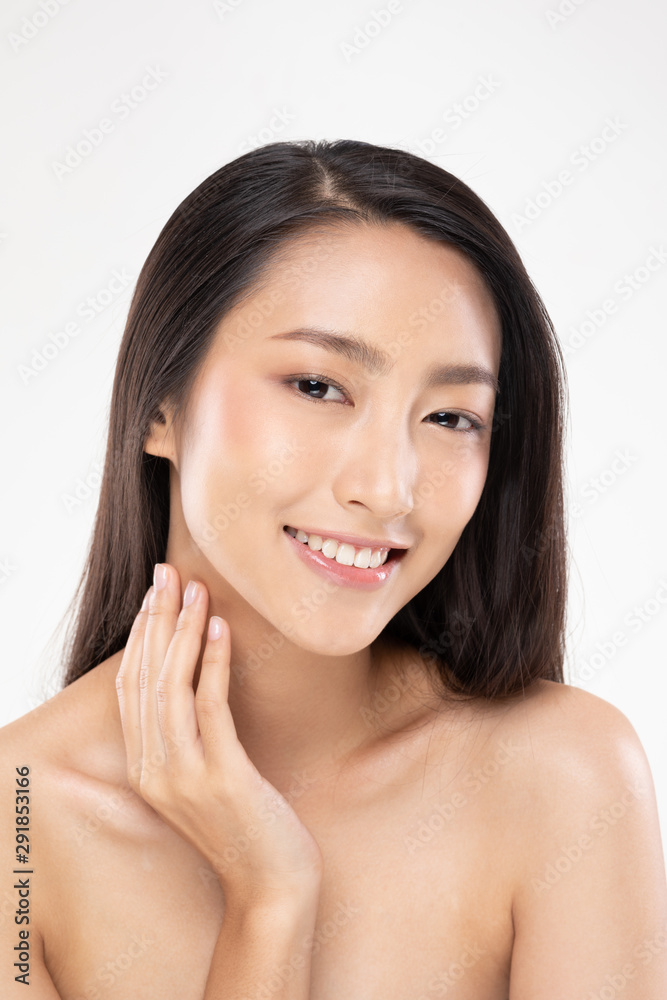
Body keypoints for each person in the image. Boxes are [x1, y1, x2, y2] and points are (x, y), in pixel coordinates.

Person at [1, 138, 665, 999]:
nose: (387, 488)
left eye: (452, 417)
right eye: (318, 387)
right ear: (159, 407)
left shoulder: (563, 778)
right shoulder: (18, 825)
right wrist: (271, 898)